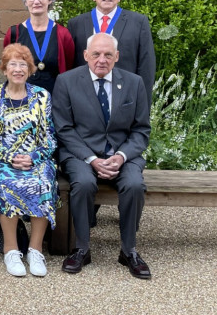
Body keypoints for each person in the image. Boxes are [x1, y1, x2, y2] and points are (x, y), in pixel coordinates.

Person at [52, 32, 152, 279]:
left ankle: (129, 250)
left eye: (108, 54)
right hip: (80, 154)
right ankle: (81, 248)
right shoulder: (66, 81)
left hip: (122, 154)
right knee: (84, 183)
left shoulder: (134, 82)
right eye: (96, 54)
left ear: (117, 56)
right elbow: (63, 128)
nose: (101, 59)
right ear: (86, 55)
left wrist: (120, 156)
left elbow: (141, 130)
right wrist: (92, 160)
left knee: (134, 185)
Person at [0, 43, 57, 277]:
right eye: (12, 64)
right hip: (5, 158)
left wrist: (34, 157)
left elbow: (50, 138)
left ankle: (35, 250)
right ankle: (11, 249)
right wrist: (9, 157)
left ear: (30, 69)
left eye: (23, 65)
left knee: (44, 182)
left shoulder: (42, 96)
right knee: (7, 183)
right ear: (4, 69)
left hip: (36, 158)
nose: (18, 69)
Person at [66, 0, 155, 97]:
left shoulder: (138, 23)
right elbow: (70, 66)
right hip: (85, 96)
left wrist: (143, 106)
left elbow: (146, 66)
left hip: (124, 96)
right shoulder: (76, 24)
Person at [2, 0, 75, 94]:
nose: (36, 1)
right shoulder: (14, 33)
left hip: (55, 98)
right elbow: (7, 65)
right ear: (25, 1)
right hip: (23, 100)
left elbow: (69, 66)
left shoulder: (63, 34)